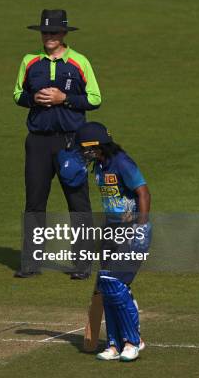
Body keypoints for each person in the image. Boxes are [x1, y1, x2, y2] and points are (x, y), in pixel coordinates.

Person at [13, 9, 101, 278]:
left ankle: (82, 264)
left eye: (53, 32)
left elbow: (95, 99)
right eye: (45, 32)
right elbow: (18, 94)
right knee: (35, 202)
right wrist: (33, 99)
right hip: (38, 142)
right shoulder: (30, 61)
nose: (48, 37)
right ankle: (31, 263)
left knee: (77, 202)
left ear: (63, 34)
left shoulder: (79, 62)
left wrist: (65, 99)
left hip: (70, 142)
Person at [75, 121, 152, 362]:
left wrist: (140, 228)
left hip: (132, 230)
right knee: (107, 287)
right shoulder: (99, 166)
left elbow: (143, 192)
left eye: (85, 149)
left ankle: (133, 341)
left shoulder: (122, 162)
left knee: (116, 285)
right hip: (112, 230)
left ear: (97, 146)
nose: (82, 153)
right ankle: (114, 344)